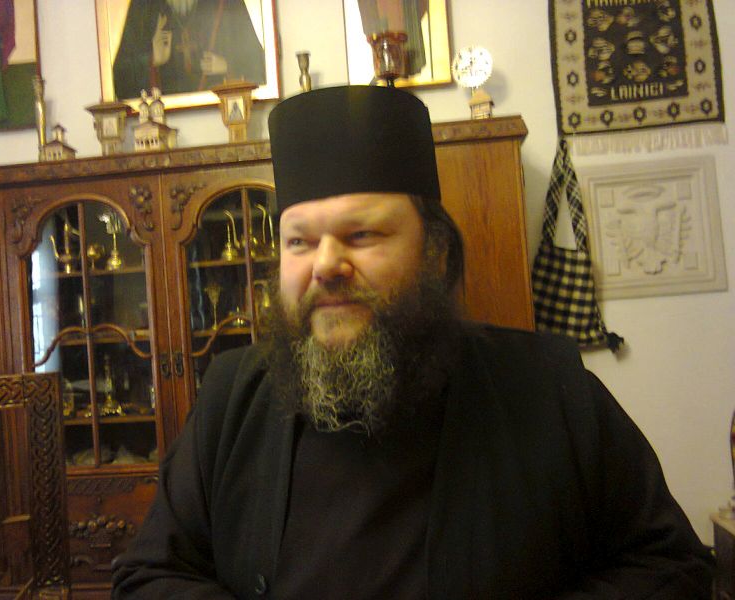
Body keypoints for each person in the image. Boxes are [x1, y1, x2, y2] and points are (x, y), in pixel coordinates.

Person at [111, 85, 714, 598]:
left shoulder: (551, 388)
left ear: (436, 253)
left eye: (362, 234)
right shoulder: (230, 398)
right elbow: (148, 575)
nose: (325, 265)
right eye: (299, 241)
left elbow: (672, 567)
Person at [112, 0, 267, 100]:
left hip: (216, 114)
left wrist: (228, 66)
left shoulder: (225, 4)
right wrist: (151, 60)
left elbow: (259, 67)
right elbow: (119, 79)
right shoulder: (143, 6)